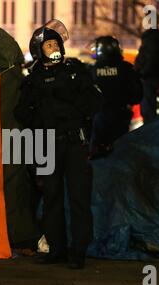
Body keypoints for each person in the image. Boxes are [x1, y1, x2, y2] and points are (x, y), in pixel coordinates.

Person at [14, 20, 103, 269]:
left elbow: (95, 102)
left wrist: (72, 103)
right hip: (47, 145)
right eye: (48, 44)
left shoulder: (75, 71)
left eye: (56, 43)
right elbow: (22, 112)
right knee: (51, 198)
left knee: (78, 198)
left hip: (75, 143)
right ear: (38, 49)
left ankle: (78, 252)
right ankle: (56, 249)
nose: (53, 47)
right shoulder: (33, 79)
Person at [90, 36, 143, 157]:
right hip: (121, 115)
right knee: (120, 151)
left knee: (97, 150)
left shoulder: (92, 70)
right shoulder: (126, 68)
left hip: (99, 116)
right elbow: (137, 93)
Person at [134, 15, 159, 124]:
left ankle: (149, 133)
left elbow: (151, 58)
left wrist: (142, 73)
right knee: (148, 107)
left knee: (147, 108)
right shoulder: (155, 37)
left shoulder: (152, 37)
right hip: (151, 76)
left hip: (148, 77)